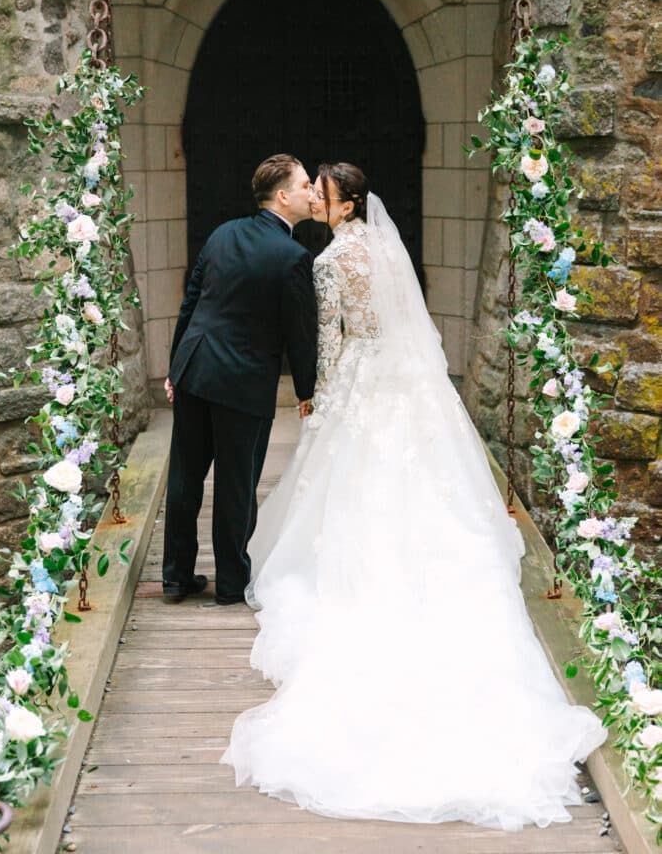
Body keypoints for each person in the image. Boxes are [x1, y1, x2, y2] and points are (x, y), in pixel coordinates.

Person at [221, 162, 607, 829]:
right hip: (406, 382)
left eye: (325, 193)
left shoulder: (331, 259)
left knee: (350, 486)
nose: (316, 198)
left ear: (342, 208)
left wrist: (321, 400)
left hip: (364, 383)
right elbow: (406, 326)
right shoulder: (381, 249)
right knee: (424, 484)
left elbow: (334, 340)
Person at [162, 154, 318, 605]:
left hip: (194, 369)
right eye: (306, 185)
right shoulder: (293, 257)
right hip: (242, 382)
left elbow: (191, 302)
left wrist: (176, 366)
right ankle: (230, 583)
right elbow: (299, 335)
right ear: (284, 196)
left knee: (185, 476)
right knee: (236, 483)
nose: (312, 192)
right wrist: (306, 391)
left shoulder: (222, 233)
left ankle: (175, 576)